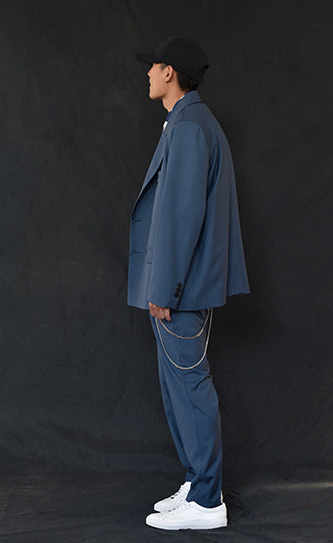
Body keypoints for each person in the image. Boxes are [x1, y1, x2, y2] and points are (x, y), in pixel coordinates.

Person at [128, 36, 249, 530]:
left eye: (153, 66)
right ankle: (198, 482)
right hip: (181, 285)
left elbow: (182, 216)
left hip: (180, 289)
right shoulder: (186, 122)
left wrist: (164, 288)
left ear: (170, 72)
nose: (147, 74)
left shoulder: (191, 126)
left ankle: (206, 501)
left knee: (190, 387)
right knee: (178, 388)